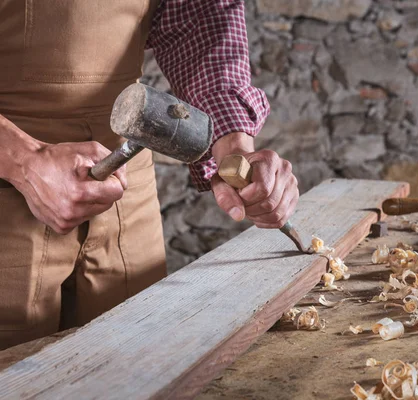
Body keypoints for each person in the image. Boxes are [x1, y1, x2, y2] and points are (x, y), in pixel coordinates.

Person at [0, 0, 298, 350]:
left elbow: (197, 18)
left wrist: (234, 146)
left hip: (126, 189)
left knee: (134, 360)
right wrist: (22, 158)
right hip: (8, 187)